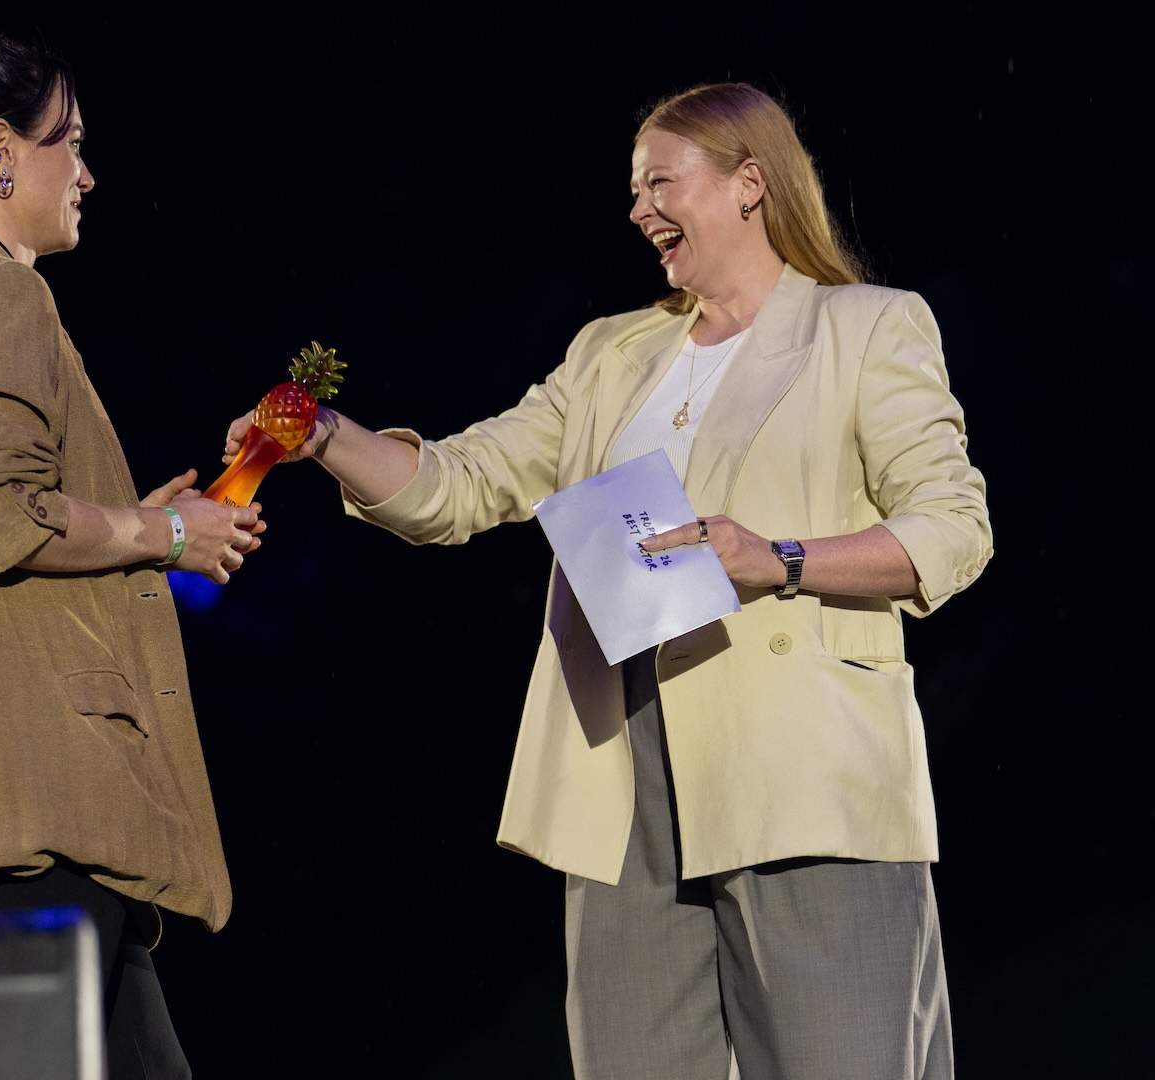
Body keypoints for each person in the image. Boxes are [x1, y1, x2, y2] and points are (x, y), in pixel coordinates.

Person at [227, 82, 990, 1079]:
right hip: (626, 775)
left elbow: (952, 529)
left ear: (749, 183)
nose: (638, 211)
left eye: (660, 183)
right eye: (634, 191)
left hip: (805, 775)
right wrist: (320, 435)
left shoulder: (867, 327)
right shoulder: (610, 355)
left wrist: (783, 559)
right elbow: (461, 486)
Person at [0, 17, 263, 1077]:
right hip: (37, 821)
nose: (86, 171)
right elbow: (6, 513)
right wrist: (167, 530)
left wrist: (129, 529)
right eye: (66, 142)